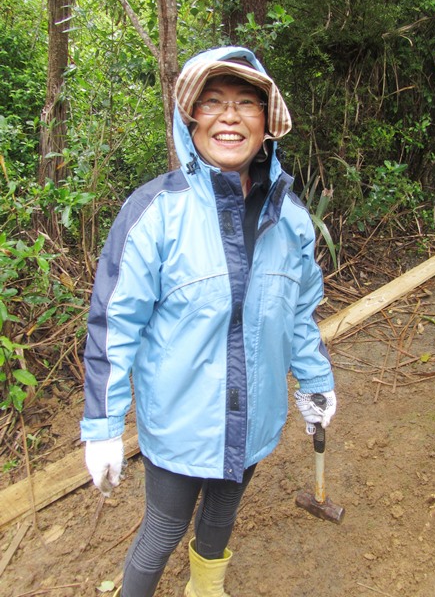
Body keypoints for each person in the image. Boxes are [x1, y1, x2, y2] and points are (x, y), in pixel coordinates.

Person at [80, 46, 337, 597]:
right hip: (181, 421)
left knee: (221, 516)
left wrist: (316, 380)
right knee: (162, 531)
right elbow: (113, 325)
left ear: (267, 122)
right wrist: (103, 427)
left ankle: (205, 588)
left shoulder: (291, 218)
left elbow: (299, 312)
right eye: (213, 101)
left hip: (256, 411)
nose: (229, 116)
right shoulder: (154, 212)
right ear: (190, 117)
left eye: (247, 103)